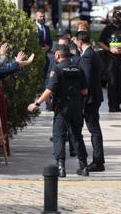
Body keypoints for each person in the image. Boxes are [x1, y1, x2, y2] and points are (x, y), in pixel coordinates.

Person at [27, 44, 90, 178]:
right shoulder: (78, 68)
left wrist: (37, 103)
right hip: (77, 106)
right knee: (77, 135)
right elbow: (85, 91)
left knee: (59, 136)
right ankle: (84, 167)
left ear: (57, 55)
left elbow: (49, 90)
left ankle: (61, 168)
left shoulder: (57, 69)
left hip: (62, 108)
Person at [76, 31, 105, 172]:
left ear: (80, 42)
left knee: (94, 130)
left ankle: (98, 161)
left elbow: (86, 77)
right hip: (95, 96)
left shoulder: (87, 56)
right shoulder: (93, 53)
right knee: (95, 129)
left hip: (90, 99)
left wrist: (83, 90)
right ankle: (99, 160)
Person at [98, 10, 121, 112]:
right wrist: (110, 49)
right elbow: (100, 42)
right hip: (110, 59)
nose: (117, 18)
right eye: (115, 17)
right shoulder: (107, 29)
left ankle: (118, 104)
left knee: (120, 83)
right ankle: (112, 105)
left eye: (119, 16)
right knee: (112, 83)